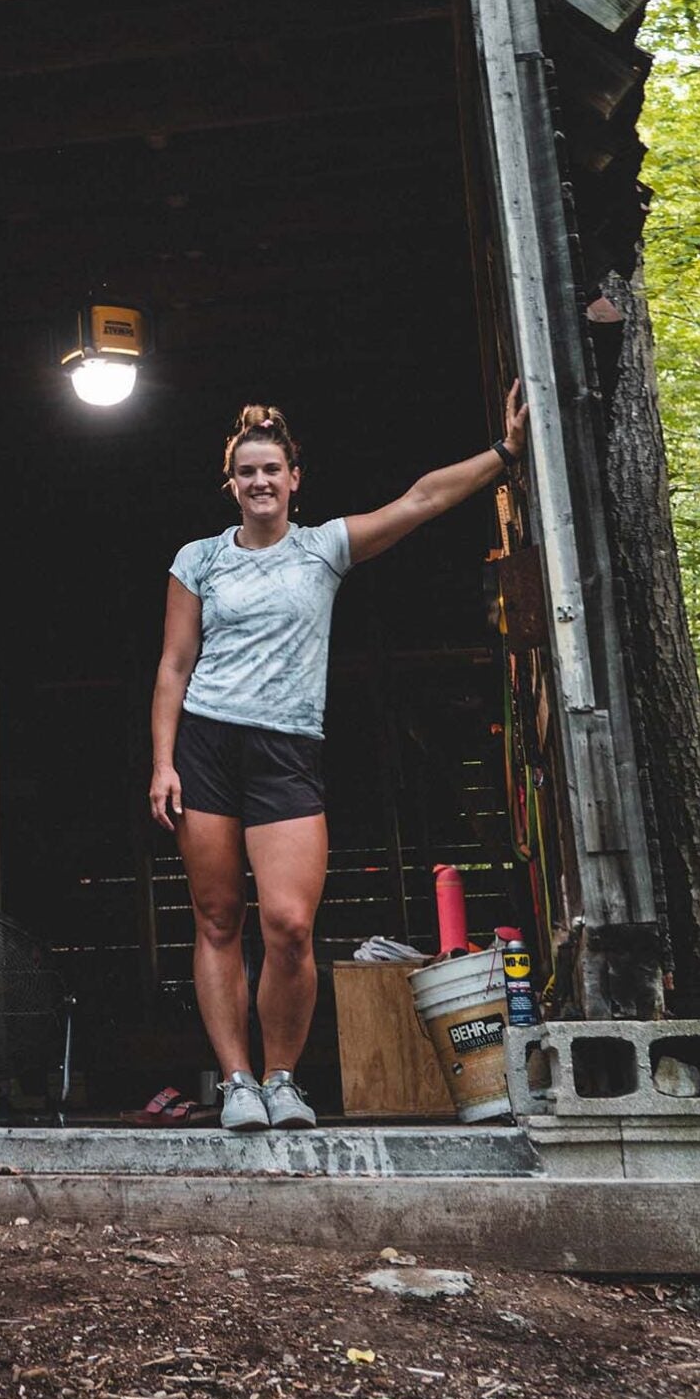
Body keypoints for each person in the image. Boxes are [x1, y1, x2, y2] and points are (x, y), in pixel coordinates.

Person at [149, 390, 527, 1131]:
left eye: (271, 470)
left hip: (286, 750)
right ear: (230, 483)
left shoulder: (322, 548)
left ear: (294, 478)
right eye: (245, 472)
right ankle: (235, 1084)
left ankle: (281, 1079)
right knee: (218, 918)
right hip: (206, 744)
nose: (258, 482)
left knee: (288, 924)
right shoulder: (197, 560)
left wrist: (505, 455)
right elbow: (172, 665)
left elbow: (419, 500)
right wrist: (163, 763)